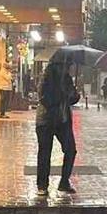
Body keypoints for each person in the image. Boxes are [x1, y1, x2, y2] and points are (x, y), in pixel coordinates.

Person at [35, 61, 79, 195]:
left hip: (62, 120)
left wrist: (74, 96)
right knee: (44, 152)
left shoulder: (66, 79)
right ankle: (42, 185)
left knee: (70, 150)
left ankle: (64, 181)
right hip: (46, 120)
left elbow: (72, 98)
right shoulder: (46, 79)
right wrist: (62, 96)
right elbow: (45, 99)